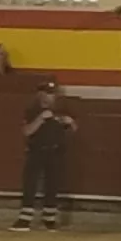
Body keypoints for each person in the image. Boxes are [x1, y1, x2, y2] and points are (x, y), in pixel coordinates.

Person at [10, 81, 75, 231]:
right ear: (39, 94)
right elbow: (27, 131)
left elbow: (74, 130)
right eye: (45, 93)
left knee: (52, 185)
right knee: (30, 184)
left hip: (55, 152)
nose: (48, 96)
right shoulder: (32, 110)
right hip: (36, 151)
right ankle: (25, 218)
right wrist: (41, 118)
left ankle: (49, 219)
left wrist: (70, 123)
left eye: (51, 93)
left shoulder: (62, 111)